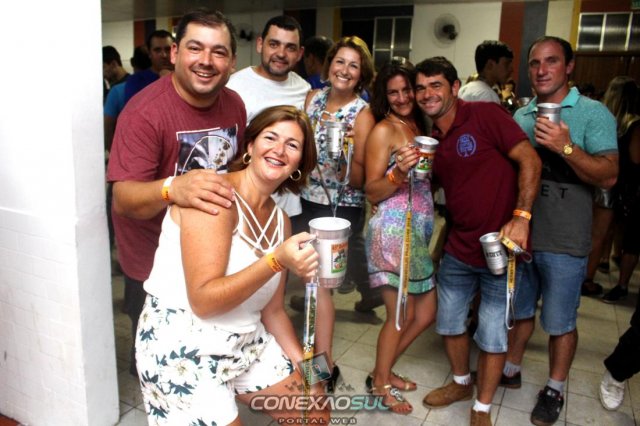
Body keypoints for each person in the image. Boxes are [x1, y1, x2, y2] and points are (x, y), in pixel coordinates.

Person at [136, 104, 327, 424]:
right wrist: (276, 260)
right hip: (185, 348)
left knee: (317, 409)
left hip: (245, 341)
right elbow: (204, 301)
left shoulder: (281, 220)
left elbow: (274, 311)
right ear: (250, 146)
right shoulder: (214, 195)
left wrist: (312, 372)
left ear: (298, 165)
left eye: (292, 145)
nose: (279, 150)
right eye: (271, 137)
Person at [107, 9, 247, 376]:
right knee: (159, 363)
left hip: (211, 250)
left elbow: (232, 169)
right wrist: (173, 187)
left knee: (207, 349)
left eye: (219, 51)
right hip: (154, 262)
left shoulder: (234, 104)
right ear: (174, 53)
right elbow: (123, 199)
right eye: (195, 48)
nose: (206, 60)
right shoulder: (144, 112)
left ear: (232, 61)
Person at [415, 56, 541, 426]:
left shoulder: (485, 115)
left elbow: (530, 160)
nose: (427, 94)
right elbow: (437, 189)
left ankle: (482, 407)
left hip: (501, 247)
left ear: (455, 87)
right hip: (459, 248)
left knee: (492, 334)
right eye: (420, 88)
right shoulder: (434, 141)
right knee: (450, 322)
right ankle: (460, 383)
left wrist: (521, 217)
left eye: (436, 85)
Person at [508, 36, 618, 426]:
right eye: (534, 62)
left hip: (566, 241)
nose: (541, 70)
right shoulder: (521, 116)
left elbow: (609, 176)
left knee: (559, 322)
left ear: (569, 66)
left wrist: (566, 147)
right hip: (523, 236)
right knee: (520, 311)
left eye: (551, 61)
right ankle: (511, 368)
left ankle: (554, 389)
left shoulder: (593, 113)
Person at [290, 36, 378, 392]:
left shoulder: (363, 114)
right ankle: (318, 362)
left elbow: (358, 179)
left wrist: (345, 151)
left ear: (362, 74)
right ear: (328, 66)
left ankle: (323, 368)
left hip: (340, 207)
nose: (344, 70)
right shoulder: (312, 99)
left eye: (353, 65)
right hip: (304, 201)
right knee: (308, 283)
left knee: (320, 288)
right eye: (340, 61)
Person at [363, 60, 436, 415]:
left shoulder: (419, 124)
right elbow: (372, 190)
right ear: (384, 96)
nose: (403, 97)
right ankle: (380, 383)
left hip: (415, 232)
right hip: (392, 231)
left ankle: (384, 370)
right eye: (393, 93)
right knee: (399, 315)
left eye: (407, 89)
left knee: (426, 313)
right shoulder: (384, 130)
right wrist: (399, 172)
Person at [227, 15, 310, 218]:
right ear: (260, 44)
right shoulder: (233, 87)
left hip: (288, 206)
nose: (281, 53)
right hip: (243, 203)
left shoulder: (304, 88)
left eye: (290, 47)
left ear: (299, 53)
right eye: (274, 44)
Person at [601, 76, 640, 303]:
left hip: (608, 180)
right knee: (632, 238)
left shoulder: (606, 119)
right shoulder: (634, 124)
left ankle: (605, 259)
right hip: (629, 185)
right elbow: (636, 159)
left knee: (606, 226)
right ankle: (622, 284)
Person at [123, 29, 175, 104]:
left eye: (168, 49)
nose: (164, 55)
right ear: (149, 53)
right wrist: (163, 83)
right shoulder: (136, 80)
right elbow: (134, 108)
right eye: (157, 50)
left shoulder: (183, 78)